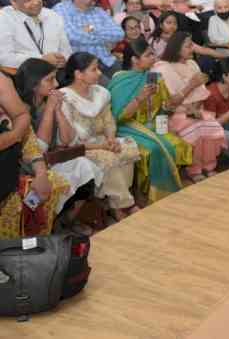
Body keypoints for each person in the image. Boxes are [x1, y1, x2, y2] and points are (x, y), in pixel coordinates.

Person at [15, 58, 103, 235]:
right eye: (49, 79)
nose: (55, 83)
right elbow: (39, 147)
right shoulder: (21, 109)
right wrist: (49, 110)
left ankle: (65, 221)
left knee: (87, 169)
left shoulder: (48, 101)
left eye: (55, 78)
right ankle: (49, 226)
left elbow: (67, 140)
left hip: (50, 160)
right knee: (63, 179)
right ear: (33, 84)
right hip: (27, 167)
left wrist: (57, 111)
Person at [59, 52, 140, 221]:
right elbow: (70, 141)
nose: (99, 73)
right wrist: (103, 146)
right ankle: (125, 205)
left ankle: (116, 204)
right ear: (78, 74)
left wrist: (110, 139)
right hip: (80, 148)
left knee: (127, 149)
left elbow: (108, 121)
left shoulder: (100, 93)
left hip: (102, 141)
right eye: (94, 69)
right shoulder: (65, 98)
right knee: (109, 157)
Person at [0, 70, 69, 238]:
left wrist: (41, 173)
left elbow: (33, 143)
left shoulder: (17, 116)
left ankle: (28, 253)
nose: (56, 85)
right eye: (49, 79)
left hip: (11, 181)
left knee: (50, 182)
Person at [153, 32, 227, 182]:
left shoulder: (192, 64)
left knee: (208, 124)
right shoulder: (162, 68)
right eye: (188, 46)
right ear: (176, 48)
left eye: (192, 45)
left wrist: (195, 109)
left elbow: (201, 94)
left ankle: (209, 166)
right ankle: (193, 170)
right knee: (195, 126)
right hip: (173, 115)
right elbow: (169, 103)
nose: (192, 48)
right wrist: (191, 86)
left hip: (195, 110)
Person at [54, 0, 124, 79]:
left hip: (107, 60)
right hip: (83, 68)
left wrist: (92, 29)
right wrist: (105, 39)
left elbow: (119, 33)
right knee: (111, 91)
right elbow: (73, 37)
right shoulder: (61, 9)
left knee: (130, 84)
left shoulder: (98, 11)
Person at [0, 0, 71, 69]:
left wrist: (63, 60)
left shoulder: (52, 15)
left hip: (55, 73)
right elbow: (4, 58)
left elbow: (66, 50)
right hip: (23, 75)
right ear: (14, 3)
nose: (36, 2)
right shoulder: (4, 19)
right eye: (28, 0)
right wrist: (41, 59)